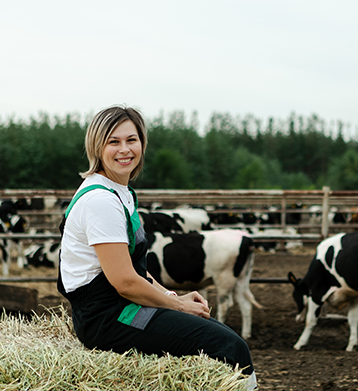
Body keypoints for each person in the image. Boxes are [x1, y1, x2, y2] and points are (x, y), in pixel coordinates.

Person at [58, 105, 257, 390]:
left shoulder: (120, 193)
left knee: (224, 335)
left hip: (121, 306)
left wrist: (172, 295)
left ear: (142, 143)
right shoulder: (100, 201)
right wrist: (177, 305)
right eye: (113, 141)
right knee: (227, 345)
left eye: (131, 140)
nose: (124, 149)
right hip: (107, 317)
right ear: (97, 147)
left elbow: (134, 268)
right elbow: (125, 281)